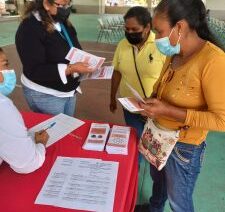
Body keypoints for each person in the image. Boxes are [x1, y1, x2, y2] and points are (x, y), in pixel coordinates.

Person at [137, 0, 225, 212]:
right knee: (158, 183)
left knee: (179, 202)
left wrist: (167, 111)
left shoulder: (214, 61)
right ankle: (154, 208)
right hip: (157, 137)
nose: (156, 38)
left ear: (180, 27)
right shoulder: (174, 52)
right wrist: (150, 101)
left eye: (159, 31)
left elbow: (222, 120)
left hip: (183, 148)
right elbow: (162, 87)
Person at [15, 0, 93, 116]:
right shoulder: (29, 28)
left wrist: (86, 63)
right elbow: (35, 70)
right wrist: (70, 69)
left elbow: (72, 47)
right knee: (55, 131)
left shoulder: (62, 23)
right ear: (46, 3)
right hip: (45, 94)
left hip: (68, 91)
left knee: (66, 127)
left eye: (68, 4)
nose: (66, 9)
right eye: (62, 5)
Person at [110, 6, 165, 140]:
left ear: (147, 28)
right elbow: (117, 72)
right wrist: (112, 97)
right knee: (136, 143)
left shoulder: (161, 45)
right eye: (127, 29)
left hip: (155, 109)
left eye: (135, 29)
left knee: (154, 150)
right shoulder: (122, 45)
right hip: (130, 108)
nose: (130, 33)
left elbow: (168, 78)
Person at [0, 47, 49, 174]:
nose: (9, 70)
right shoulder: (2, 106)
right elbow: (27, 163)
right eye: (5, 64)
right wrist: (40, 144)